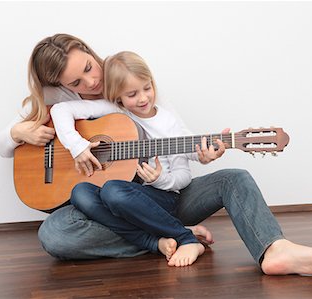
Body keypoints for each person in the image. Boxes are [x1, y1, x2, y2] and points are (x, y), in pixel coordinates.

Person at [0, 33, 312, 275]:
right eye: (75, 83)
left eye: (88, 68)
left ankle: (274, 250)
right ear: (61, 87)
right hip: (106, 203)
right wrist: (17, 133)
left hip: (164, 195)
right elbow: (11, 141)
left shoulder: (140, 95)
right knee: (55, 235)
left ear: (92, 53)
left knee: (234, 178)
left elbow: (181, 167)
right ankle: (174, 236)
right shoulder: (64, 104)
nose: (88, 83)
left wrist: (200, 157)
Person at [50, 51, 206, 266]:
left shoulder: (168, 124)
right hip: (125, 197)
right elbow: (60, 109)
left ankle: (186, 239)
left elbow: (184, 177)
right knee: (80, 191)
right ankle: (153, 241)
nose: (142, 98)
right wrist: (77, 146)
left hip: (161, 197)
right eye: (132, 94)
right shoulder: (115, 111)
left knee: (114, 190)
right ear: (118, 98)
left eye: (147, 88)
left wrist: (159, 180)